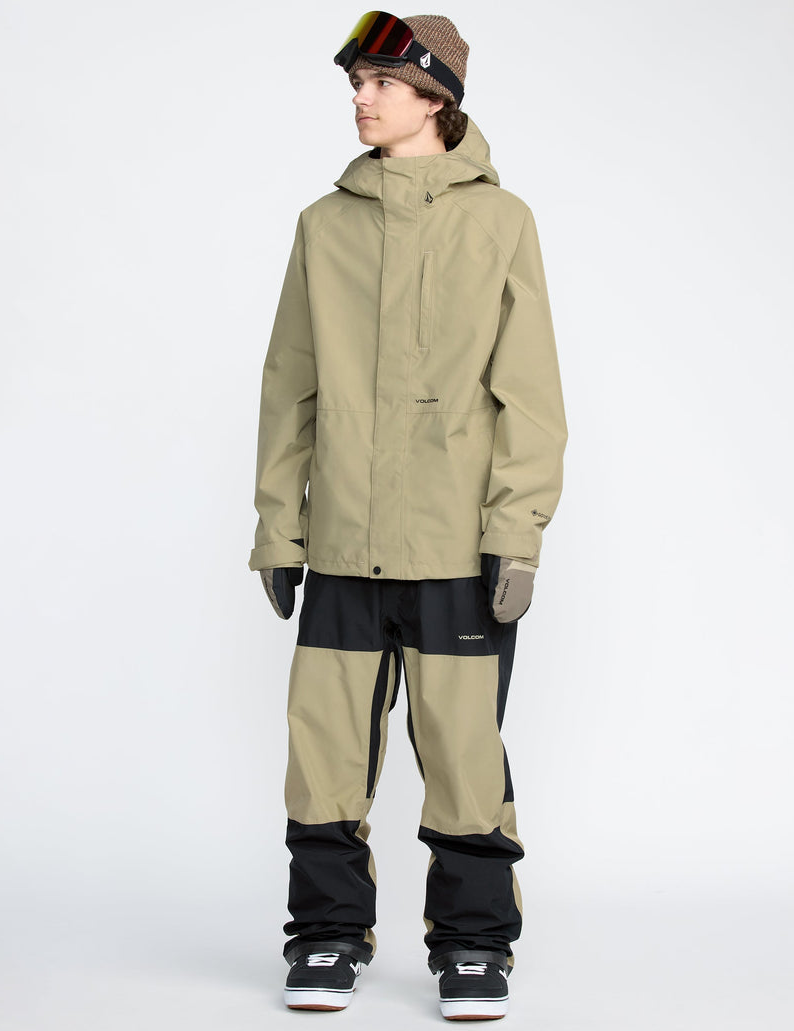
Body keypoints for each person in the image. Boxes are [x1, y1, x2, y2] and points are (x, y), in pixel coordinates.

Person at [248, 11, 568, 1021]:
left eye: (381, 83)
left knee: (464, 753)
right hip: (344, 541)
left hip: (456, 547)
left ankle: (473, 944)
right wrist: (278, 529)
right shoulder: (324, 225)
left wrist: (516, 532)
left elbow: (530, 393)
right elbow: (289, 387)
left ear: (436, 99)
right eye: (356, 83)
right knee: (322, 755)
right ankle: (327, 933)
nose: (361, 98)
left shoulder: (500, 221)